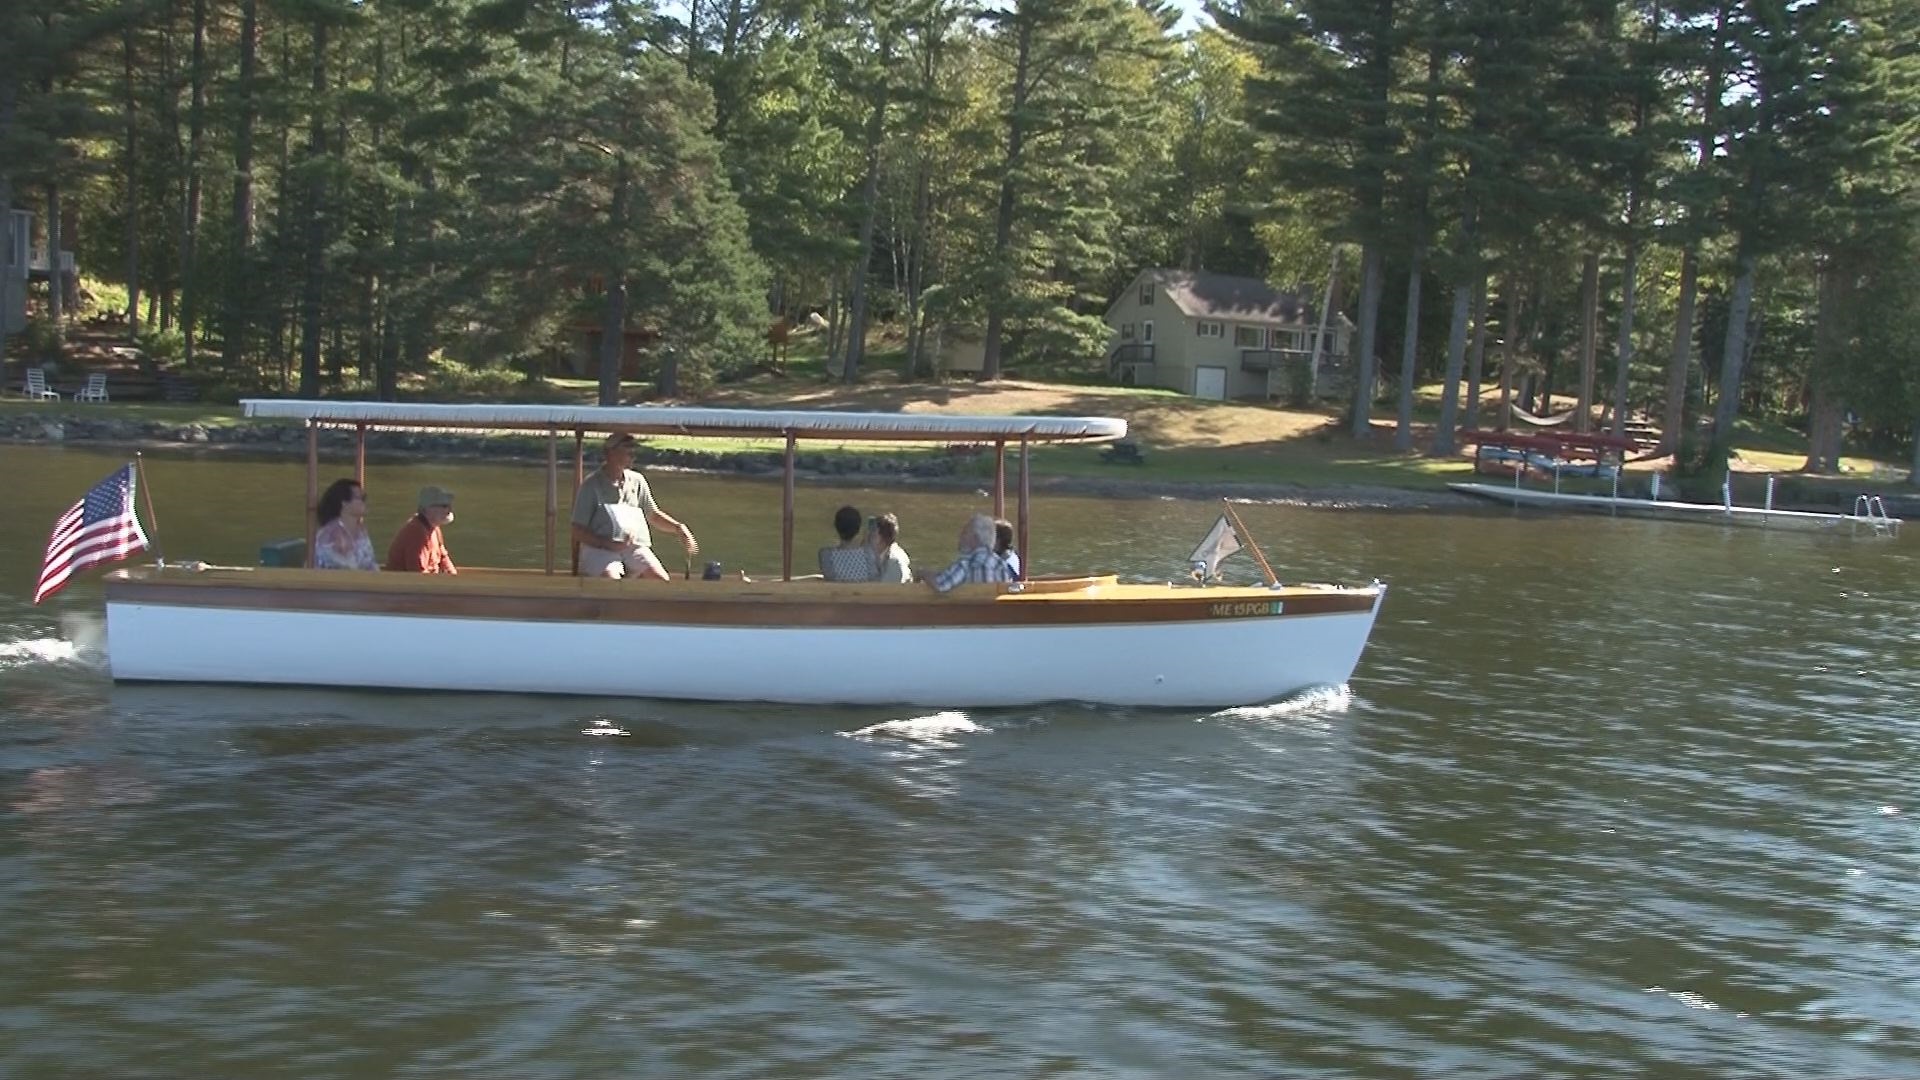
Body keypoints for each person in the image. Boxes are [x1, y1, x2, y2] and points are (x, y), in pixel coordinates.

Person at [571, 431, 697, 579]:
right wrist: (607, 544)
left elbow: (653, 515)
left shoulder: (638, 481)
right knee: (612, 581)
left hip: (634, 548)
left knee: (661, 580)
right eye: (627, 450)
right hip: (600, 549)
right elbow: (577, 530)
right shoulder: (591, 485)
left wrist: (678, 528)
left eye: (633, 451)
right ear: (610, 453)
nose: (633, 455)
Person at [929, 513, 1017, 593]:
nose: (960, 538)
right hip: (997, 610)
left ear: (975, 538)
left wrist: (922, 574)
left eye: (964, 533)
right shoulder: (1002, 565)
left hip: (969, 610)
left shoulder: (966, 564)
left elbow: (940, 585)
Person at [386, 485, 458, 574]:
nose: (450, 509)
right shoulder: (416, 532)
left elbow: (444, 559)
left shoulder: (434, 528)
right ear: (427, 509)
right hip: (403, 586)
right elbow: (418, 573)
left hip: (429, 582)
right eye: (444, 505)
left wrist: (453, 577)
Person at [313, 478, 377, 570]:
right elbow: (346, 568)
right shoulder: (332, 534)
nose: (365, 502)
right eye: (361, 498)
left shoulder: (361, 531)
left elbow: (370, 564)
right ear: (344, 503)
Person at [819, 505, 879, 581]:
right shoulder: (869, 553)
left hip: (838, 592)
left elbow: (829, 576)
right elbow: (876, 575)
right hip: (865, 592)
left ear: (836, 526)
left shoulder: (826, 555)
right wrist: (871, 545)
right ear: (858, 529)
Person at [872, 512, 912, 584]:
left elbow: (884, 590)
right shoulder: (896, 551)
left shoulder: (893, 562)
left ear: (879, 537)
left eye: (872, 533)